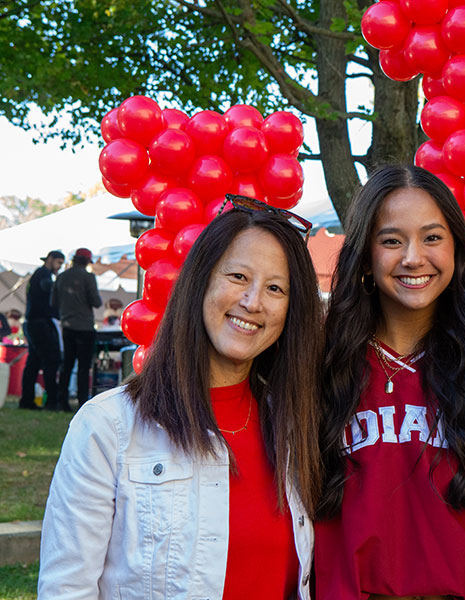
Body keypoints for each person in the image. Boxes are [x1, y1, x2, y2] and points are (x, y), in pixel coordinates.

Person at [38, 196, 324, 599]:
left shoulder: (296, 428)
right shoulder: (108, 426)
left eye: (275, 288)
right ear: (201, 280)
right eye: (238, 276)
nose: (253, 301)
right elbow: (66, 590)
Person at [314, 165, 465, 600]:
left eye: (432, 237)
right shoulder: (319, 364)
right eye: (392, 241)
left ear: (456, 249)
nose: (413, 257)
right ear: (365, 257)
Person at [50, 247, 102, 411]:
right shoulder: (88, 277)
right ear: (86, 262)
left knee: (67, 365)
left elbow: (53, 303)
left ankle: (62, 401)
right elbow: (96, 302)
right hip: (85, 327)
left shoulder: (61, 277)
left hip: (67, 326)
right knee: (83, 367)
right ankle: (82, 402)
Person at [19, 250, 64, 410]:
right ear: (50, 259)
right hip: (40, 323)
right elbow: (47, 287)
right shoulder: (43, 274)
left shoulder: (38, 274)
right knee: (50, 361)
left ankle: (27, 400)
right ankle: (51, 401)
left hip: (32, 322)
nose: (59, 267)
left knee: (33, 362)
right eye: (59, 263)